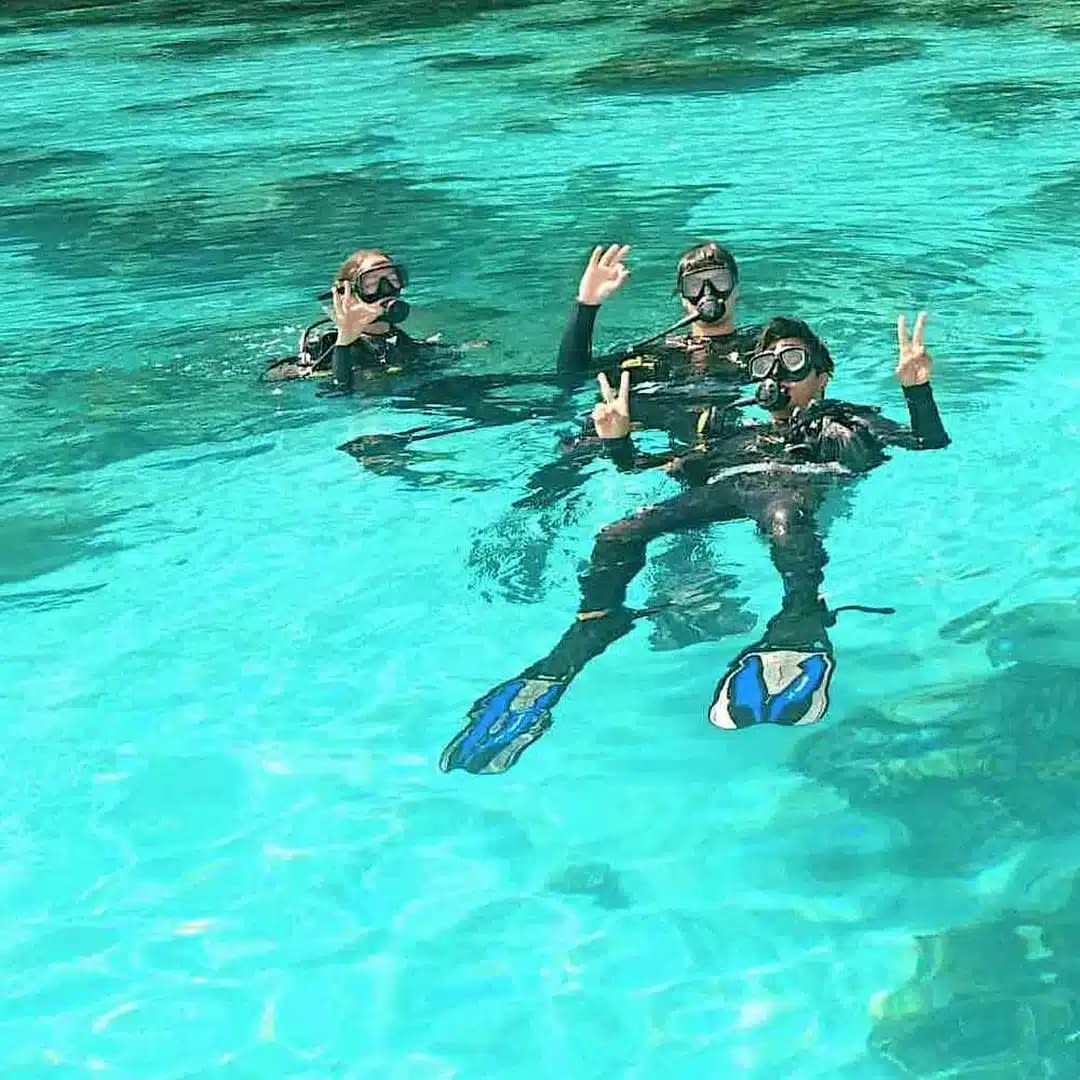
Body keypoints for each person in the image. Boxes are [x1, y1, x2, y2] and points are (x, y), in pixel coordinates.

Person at [441, 311, 950, 775]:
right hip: (732, 485)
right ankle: (596, 620)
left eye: (794, 363)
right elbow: (646, 468)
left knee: (784, 519)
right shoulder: (737, 434)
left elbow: (927, 443)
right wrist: (618, 440)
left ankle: (801, 612)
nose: (778, 376)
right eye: (766, 365)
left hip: (794, 491)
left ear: (822, 375)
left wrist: (917, 390)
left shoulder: (846, 421)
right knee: (619, 534)